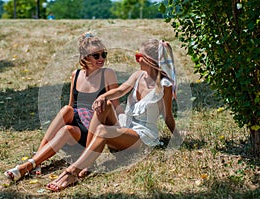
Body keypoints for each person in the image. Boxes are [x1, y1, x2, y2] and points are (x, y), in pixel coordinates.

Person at [46, 38, 178, 191]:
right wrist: (103, 97)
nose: (135, 58)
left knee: (102, 131)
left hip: (143, 136)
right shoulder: (138, 75)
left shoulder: (164, 86)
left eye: (138, 55)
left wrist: (178, 138)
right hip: (125, 124)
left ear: (149, 60)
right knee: (105, 105)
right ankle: (88, 162)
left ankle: (72, 172)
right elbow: (120, 91)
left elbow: (168, 116)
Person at [4, 32, 120, 181]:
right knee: (67, 109)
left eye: (104, 54)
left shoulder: (107, 73)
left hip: (91, 128)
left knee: (66, 129)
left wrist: (121, 129)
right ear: (85, 56)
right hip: (76, 123)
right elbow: (72, 104)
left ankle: (26, 166)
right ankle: (35, 161)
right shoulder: (76, 74)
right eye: (96, 56)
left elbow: (115, 106)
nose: (102, 59)